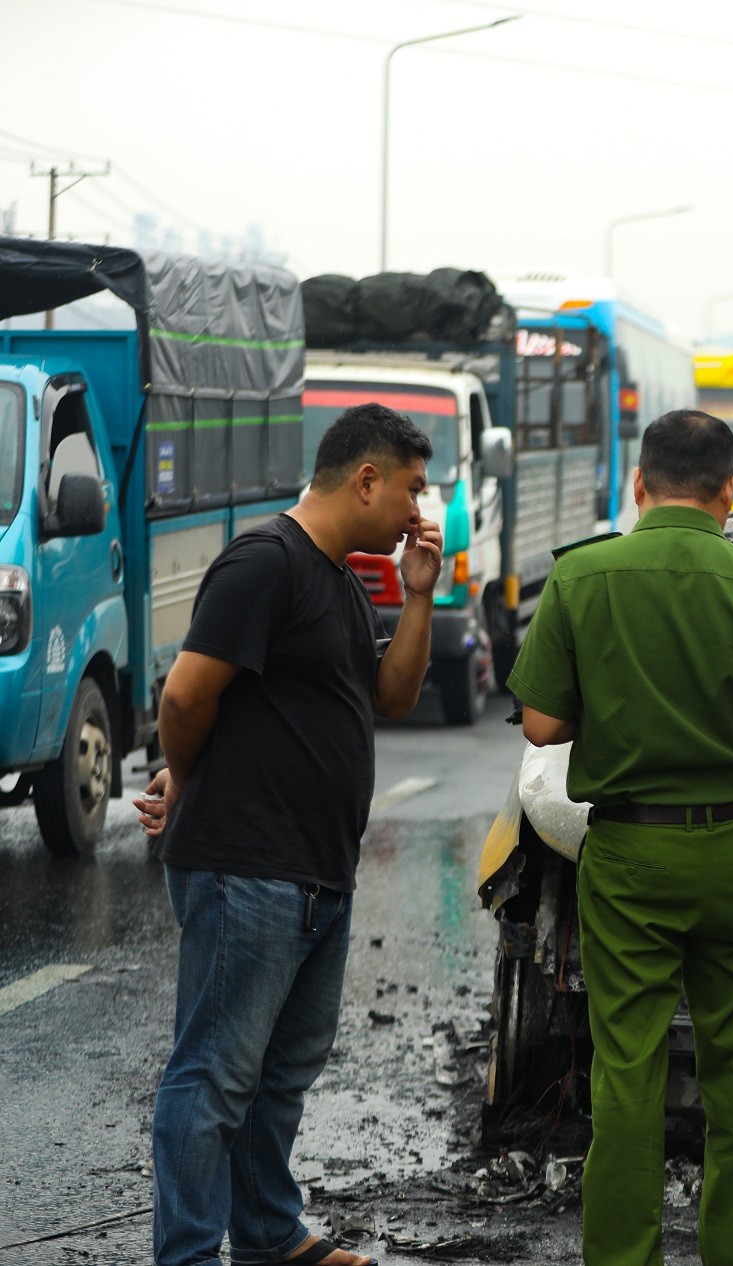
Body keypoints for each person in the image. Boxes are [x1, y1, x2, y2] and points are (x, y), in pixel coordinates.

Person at [507, 409, 733, 1266]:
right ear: (730, 489)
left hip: (630, 857)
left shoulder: (584, 578)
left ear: (639, 481)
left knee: (627, 1071)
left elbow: (543, 723)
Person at [137, 403, 442, 1266]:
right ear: (366, 479)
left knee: (281, 1075)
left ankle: (269, 1236)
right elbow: (185, 698)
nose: (419, 512)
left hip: (318, 871)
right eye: (411, 492)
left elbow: (388, 699)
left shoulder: (341, 581)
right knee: (213, 1079)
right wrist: (191, 785)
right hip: (247, 869)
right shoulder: (264, 563)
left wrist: (420, 594)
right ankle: (189, 1255)